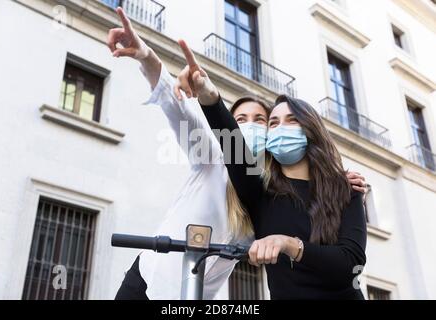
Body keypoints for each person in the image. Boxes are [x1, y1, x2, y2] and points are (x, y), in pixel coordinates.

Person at [108, 8, 367, 300]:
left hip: (201, 296)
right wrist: (148, 57)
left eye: (261, 120)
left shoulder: (273, 187)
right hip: (153, 281)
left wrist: (336, 179)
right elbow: (177, 108)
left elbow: (347, 258)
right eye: (240, 120)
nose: (252, 126)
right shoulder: (214, 157)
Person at [175, 41, 368, 299]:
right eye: (274, 123)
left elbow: (349, 263)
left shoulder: (345, 189)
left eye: (292, 120)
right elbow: (232, 143)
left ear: (310, 131)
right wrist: (208, 95)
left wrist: (288, 244)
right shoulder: (260, 193)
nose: (281, 128)